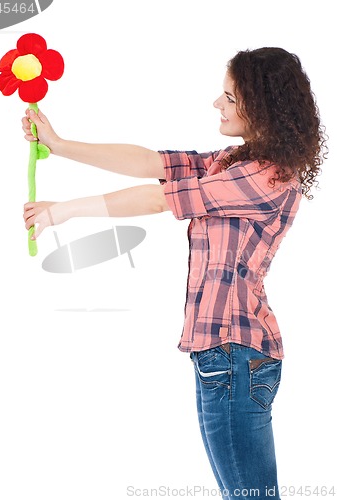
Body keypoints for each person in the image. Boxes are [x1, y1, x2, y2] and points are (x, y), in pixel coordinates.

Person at [22, 47, 327, 499]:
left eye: (229, 96)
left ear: (260, 105)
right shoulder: (234, 163)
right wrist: (60, 145)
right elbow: (152, 163)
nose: (216, 104)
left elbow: (157, 198)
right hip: (225, 355)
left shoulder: (263, 177)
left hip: (233, 355)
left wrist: (62, 212)